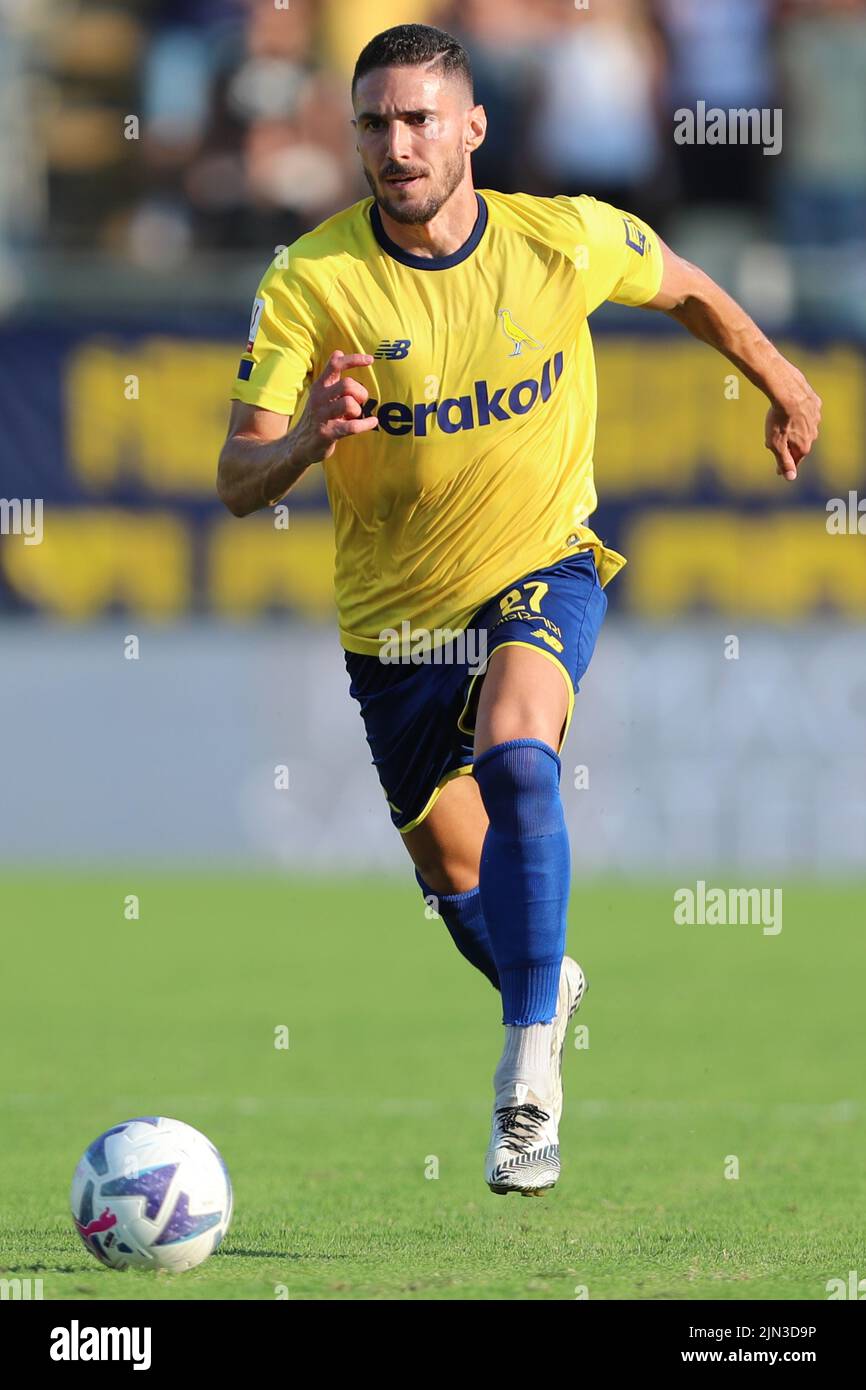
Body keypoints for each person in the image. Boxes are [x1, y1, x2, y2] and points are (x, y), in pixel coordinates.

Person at [216, 23, 821, 1195]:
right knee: (459, 887)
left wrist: (781, 378)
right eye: (374, 124)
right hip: (393, 630)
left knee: (519, 760)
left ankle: (525, 1083)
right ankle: (542, 984)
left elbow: (686, 286)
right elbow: (235, 481)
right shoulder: (310, 280)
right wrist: (302, 441)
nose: (395, 146)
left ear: (471, 128)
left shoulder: (559, 238)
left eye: (418, 120)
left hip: (544, 565)